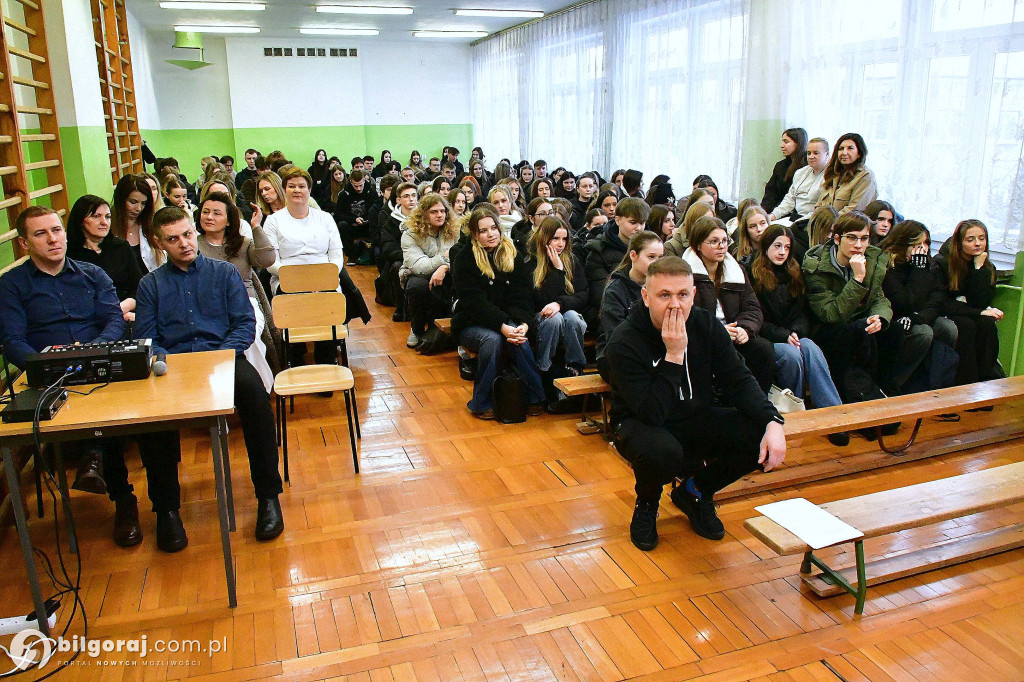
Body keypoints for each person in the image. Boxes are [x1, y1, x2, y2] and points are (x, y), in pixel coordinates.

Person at [606, 256, 786, 549]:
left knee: (758, 434)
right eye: (664, 295)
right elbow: (652, 413)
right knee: (661, 451)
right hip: (641, 424)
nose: (675, 304)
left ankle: (696, 490)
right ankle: (648, 503)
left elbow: (737, 378)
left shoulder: (705, 324)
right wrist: (674, 355)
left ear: (694, 295)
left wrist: (772, 420)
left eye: (683, 295)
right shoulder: (625, 341)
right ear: (646, 297)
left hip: (693, 415)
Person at [136, 206, 284, 547]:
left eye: (188, 235)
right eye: (173, 239)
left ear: (194, 233)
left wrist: (220, 356)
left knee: (257, 399)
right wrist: (171, 363)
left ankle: (268, 496)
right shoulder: (150, 285)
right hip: (175, 367)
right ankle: (167, 510)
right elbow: (147, 339)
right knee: (153, 420)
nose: (184, 244)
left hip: (223, 360)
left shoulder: (225, 274)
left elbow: (244, 324)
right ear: (160, 244)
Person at [0, 206, 145, 548]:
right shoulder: (11, 285)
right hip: (44, 373)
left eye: (56, 230)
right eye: (40, 233)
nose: (52, 239)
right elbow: (11, 341)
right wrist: (50, 361)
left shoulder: (93, 274)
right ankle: (114, 486)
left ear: (66, 234)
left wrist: (87, 352)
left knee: (103, 411)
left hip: (96, 362)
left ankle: (112, 485)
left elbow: (113, 320)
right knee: (90, 415)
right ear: (24, 243)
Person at [749, 225, 847, 444]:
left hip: (791, 334)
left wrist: (796, 332)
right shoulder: (753, 273)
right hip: (766, 337)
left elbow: (804, 311)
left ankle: (833, 416)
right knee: (791, 356)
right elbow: (756, 317)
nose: (782, 252)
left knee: (811, 347)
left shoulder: (795, 272)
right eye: (777, 246)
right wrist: (784, 335)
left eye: (787, 247)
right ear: (766, 247)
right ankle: (793, 413)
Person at [452, 204, 545, 419]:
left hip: (508, 319)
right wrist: (503, 326)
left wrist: (522, 323)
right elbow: (475, 304)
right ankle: (480, 402)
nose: (490, 234)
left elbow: (522, 295)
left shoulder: (513, 255)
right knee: (492, 340)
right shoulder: (464, 259)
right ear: (474, 235)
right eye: (483, 231)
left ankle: (534, 397)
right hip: (471, 322)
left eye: (493, 228)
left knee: (518, 337)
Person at [802, 211, 896, 402]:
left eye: (864, 239)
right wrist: (858, 279)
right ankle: (853, 396)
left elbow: (879, 298)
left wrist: (879, 317)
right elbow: (831, 314)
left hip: (856, 324)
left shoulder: (871, 259)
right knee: (848, 332)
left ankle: (880, 392)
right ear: (837, 238)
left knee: (892, 330)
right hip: (825, 329)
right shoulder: (817, 264)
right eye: (852, 238)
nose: (859, 245)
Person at [681, 216, 776, 394]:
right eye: (714, 241)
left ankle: (755, 402)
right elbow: (687, 315)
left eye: (724, 241)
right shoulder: (684, 274)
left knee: (764, 350)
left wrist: (744, 329)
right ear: (698, 245)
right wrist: (718, 331)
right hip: (702, 339)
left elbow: (752, 307)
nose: (722, 246)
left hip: (733, 334)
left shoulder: (736, 270)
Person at [196, 191, 276, 392]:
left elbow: (267, 260)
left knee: (249, 339)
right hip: (207, 305)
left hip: (244, 302)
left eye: (216, 213)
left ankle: (257, 390)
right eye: (205, 212)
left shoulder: (242, 243)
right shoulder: (193, 245)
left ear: (229, 221)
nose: (209, 217)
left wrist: (256, 227)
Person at [935, 219, 1004, 385]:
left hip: (968, 310)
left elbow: (980, 301)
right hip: (945, 314)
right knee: (967, 325)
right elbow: (943, 303)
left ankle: (986, 382)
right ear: (959, 242)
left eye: (982, 238)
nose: (978, 244)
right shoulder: (943, 263)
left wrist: (977, 270)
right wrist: (978, 311)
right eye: (970, 239)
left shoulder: (986, 266)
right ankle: (967, 384)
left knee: (987, 323)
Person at [528, 216, 588, 389]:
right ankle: (544, 369)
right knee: (554, 319)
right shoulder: (531, 262)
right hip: (539, 317)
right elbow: (541, 301)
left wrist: (560, 304)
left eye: (564, 239)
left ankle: (575, 367)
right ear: (545, 238)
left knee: (573, 318)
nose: (560, 244)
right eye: (555, 238)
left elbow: (583, 294)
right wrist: (557, 271)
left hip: (563, 312)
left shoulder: (572, 260)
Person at [67, 195, 143, 326]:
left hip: (125, 313)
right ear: (80, 221)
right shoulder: (69, 255)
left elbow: (138, 288)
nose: (104, 222)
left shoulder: (121, 247)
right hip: (87, 320)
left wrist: (118, 310)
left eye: (108, 217)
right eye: (96, 216)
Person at [597, 231, 663, 381]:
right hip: (618, 356)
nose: (657, 263)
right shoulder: (615, 289)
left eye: (661, 257)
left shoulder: (661, 286)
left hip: (654, 351)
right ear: (633, 255)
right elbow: (615, 335)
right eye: (651, 257)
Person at [400, 194, 458, 351]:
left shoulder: (454, 229)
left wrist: (444, 267)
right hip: (417, 276)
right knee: (417, 286)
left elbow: (461, 257)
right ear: (424, 214)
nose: (439, 215)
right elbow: (419, 266)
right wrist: (443, 259)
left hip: (446, 274)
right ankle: (416, 328)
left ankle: (441, 326)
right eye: (434, 212)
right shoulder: (410, 234)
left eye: (442, 211)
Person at [585, 197, 650, 330]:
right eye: (633, 222)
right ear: (617, 220)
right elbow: (601, 295)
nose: (639, 228)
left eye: (642, 223)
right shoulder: (599, 252)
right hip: (613, 317)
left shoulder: (652, 249)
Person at [379, 181, 418, 322]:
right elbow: (387, 248)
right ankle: (401, 306)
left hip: (423, 257)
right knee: (396, 267)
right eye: (406, 196)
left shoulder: (425, 218)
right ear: (398, 200)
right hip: (401, 259)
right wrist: (409, 257)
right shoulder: (391, 221)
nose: (411, 199)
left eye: (414, 195)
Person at [770, 136, 829, 222]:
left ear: (827, 154)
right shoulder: (800, 173)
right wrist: (773, 216)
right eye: (809, 153)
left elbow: (822, 210)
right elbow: (789, 200)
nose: (811, 156)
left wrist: (798, 223)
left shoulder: (830, 177)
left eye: (816, 153)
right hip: (795, 218)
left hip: (814, 221)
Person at [816, 133, 877, 215]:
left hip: (844, 225)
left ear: (859, 153)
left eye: (850, 148)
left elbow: (855, 210)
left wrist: (828, 222)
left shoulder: (866, 176)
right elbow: (819, 205)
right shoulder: (835, 173)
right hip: (823, 223)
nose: (844, 153)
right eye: (840, 149)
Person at [111, 173, 159, 274]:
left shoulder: (152, 226)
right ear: (121, 199)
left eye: (143, 203)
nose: (138, 209)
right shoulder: (108, 229)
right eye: (133, 202)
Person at [334, 169, 379, 265]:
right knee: (342, 225)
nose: (358, 188)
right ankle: (351, 255)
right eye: (355, 186)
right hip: (351, 224)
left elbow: (375, 210)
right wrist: (353, 219)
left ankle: (371, 253)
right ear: (351, 182)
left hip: (367, 224)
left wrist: (365, 219)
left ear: (364, 181)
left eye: (360, 185)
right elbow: (338, 214)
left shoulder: (371, 192)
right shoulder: (343, 194)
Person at [761, 128, 808, 214]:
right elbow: (770, 194)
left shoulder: (807, 167)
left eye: (786, 142)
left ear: (798, 144)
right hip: (776, 211)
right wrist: (763, 213)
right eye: (782, 141)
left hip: (795, 213)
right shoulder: (780, 166)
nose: (782, 145)